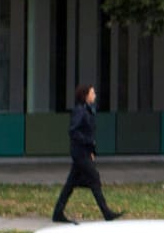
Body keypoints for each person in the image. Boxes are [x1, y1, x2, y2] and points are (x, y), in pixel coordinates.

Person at [52, 84, 122, 224]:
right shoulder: (80, 111)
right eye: (92, 92)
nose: (94, 95)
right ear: (85, 95)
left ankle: (58, 213)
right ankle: (106, 213)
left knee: (70, 184)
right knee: (94, 178)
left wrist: (91, 150)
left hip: (84, 152)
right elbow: (74, 131)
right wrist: (88, 143)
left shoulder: (88, 110)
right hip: (80, 153)